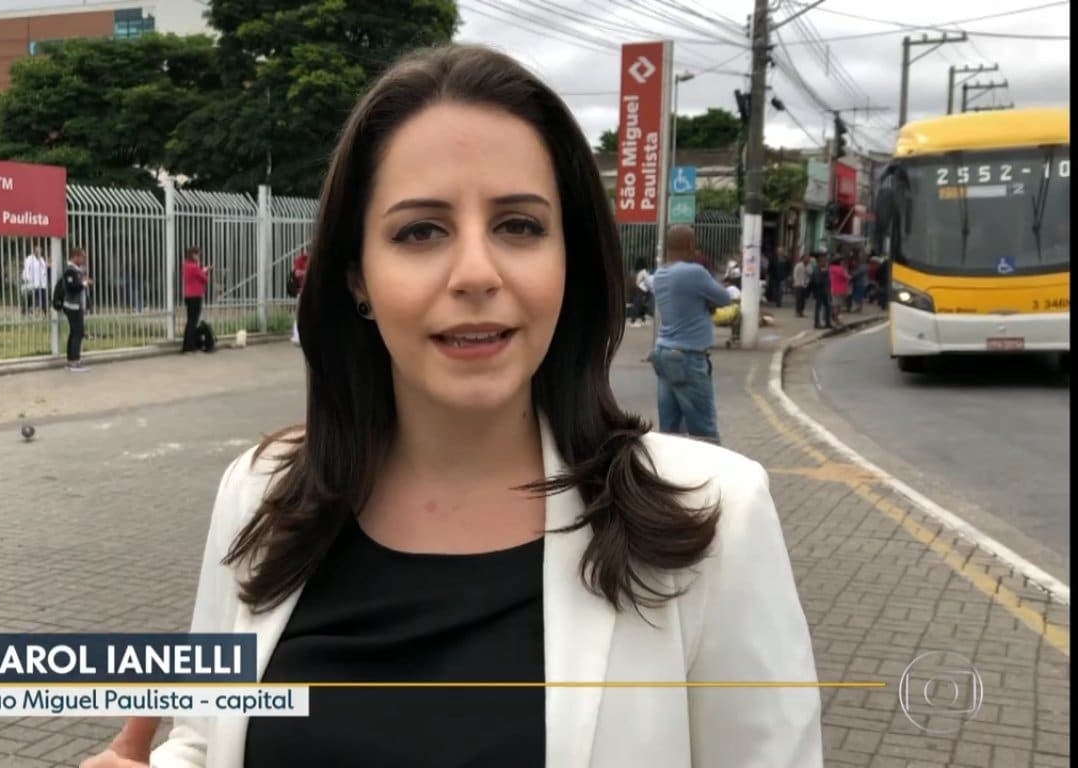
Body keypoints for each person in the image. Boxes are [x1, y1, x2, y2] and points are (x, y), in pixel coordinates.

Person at [83, 43, 820, 768]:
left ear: (572, 259)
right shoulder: (262, 494)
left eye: (519, 226)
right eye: (420, 231)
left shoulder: (711, 520)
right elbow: (208, 739)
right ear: (356, 278)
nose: (475, 272)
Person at [649, 225, 733, 444]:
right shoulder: (693, 272)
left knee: (670, 430)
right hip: (688, 357)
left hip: (664, 353)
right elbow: (724, 298)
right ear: (689, 245)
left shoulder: (660, 274)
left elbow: (687, 302)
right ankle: (712, 477)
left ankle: (671, 476)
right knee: (704, 432)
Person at [61, 247, 92, 372]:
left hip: (76, 306)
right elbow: (72, 288)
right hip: (72, 306)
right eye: (82, 257)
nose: (84, 259)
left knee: (75, 333)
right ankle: (74, 362)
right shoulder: (70, 270)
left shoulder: (76, 270)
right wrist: (84, 283)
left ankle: (71, 360)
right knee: (78, 333)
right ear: (75, 257)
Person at [181, 247, 210, 353]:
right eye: (197, 254)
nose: (198, 257)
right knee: (193, 322)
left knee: (190, 321)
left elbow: (195, 276)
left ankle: (187, 345)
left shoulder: (185, 265)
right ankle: (189, 346)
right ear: (193, 255)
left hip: (188, 296)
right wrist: (205, 271)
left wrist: (201, 270)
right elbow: (205, 279)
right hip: (196, 296)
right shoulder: (194, 267)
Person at [21, 244, 49, 316]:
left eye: (40, 250)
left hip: (41, 283)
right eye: (38, 250)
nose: (39, 252)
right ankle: (24, 311)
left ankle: (45, 312)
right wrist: (27, 279)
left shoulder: (42, 259)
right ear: (35, 251)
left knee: (43, 298)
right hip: (32, 282)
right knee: (29, 298)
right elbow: (26, 270)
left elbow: (44, 269)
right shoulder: (29, 259)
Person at [291, 247, 309, 346]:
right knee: (300, 314)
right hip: (302, 291)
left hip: (310, 290)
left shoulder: (312, 259)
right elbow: (297, 273)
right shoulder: (300, 260)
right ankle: (297, 336)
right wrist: (307, 272)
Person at [809, 251, 832, 329]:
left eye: (825, 260)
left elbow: (828, 280)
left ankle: (828, 322)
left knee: (828, 307)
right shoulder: (817, 269)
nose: (825, 262)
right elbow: (818, 281)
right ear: (819, 261)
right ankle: (817, 323)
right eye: (823, 260)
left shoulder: (824, 269)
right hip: (819, 291)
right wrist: (824, 273)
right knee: (818, 307)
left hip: (825, 291)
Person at [792, 253, 811, 318]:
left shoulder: (809, 266)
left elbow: (811, 274)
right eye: (806, 258)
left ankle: (801, 312)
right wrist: (795, 282)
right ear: (803, 258)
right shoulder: (798, 265)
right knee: (798, 299)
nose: (807, 259)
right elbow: (795, 274)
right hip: (798, 284)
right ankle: (797, 312)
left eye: (808, 258)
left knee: (803, 300)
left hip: (805, 285)